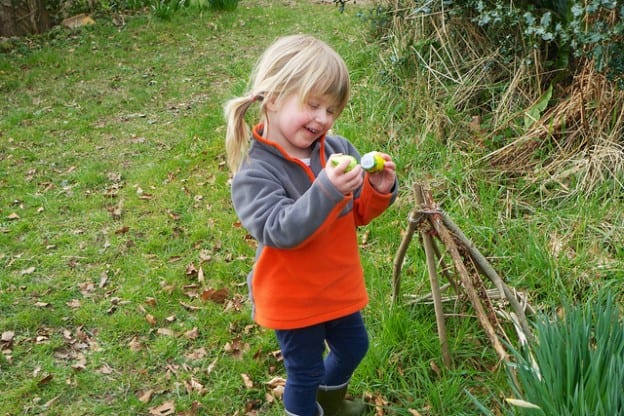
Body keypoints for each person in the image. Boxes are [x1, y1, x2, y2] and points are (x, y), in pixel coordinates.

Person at [224, 34, 398, 416]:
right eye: (313, 104)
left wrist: (378, 189)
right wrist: (325, 190)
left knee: (354, 347)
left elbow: (358, 213)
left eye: (332, 110)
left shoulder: (338, 151)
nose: (323, 119)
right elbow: (279, 230)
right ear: (272, 98)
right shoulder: (255, 172)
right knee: (304, 372)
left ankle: (330, 403)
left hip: (336, 285)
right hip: (293, 296)